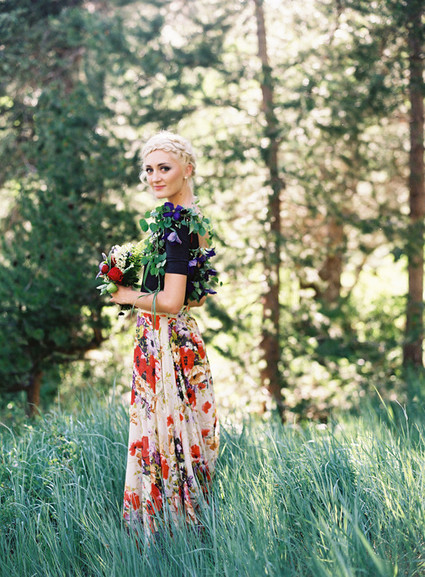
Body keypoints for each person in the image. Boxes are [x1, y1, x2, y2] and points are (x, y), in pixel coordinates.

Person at [110, 131, 219, 534]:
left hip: (165, 341)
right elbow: (197, 298)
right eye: (149, 169)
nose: (154, 177)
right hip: (183, 338)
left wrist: (126, 295)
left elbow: (172, 302)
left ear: (188, 169)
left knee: (163, 435)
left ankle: (163, 534)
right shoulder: (195, 219)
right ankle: (186, 528)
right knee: (177, 435)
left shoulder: (176, 224)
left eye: (164, 168)